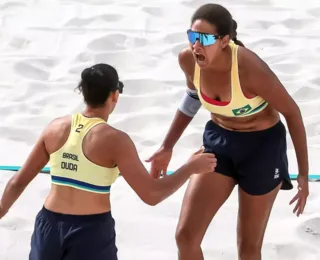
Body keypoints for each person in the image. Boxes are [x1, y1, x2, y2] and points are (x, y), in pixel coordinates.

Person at [0, 63, 217, 260]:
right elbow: (152, 195)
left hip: (48, 226)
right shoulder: (114, 140)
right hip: (89, 231)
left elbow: (17, 182)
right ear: (114, 96)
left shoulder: (54, 128)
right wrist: (190, 168)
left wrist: (1, 210)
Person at [146, 3, 309, 260]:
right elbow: (192, 98)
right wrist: (167, 146)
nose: (196, 45)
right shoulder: (187, 59)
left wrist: (302, 174)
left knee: (247, 249)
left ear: (224, 41)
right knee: (185, 237)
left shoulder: (248, 67)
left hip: (262, 148)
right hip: (220, 141)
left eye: (204, 39)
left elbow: (292, 112)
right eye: (192, 36)